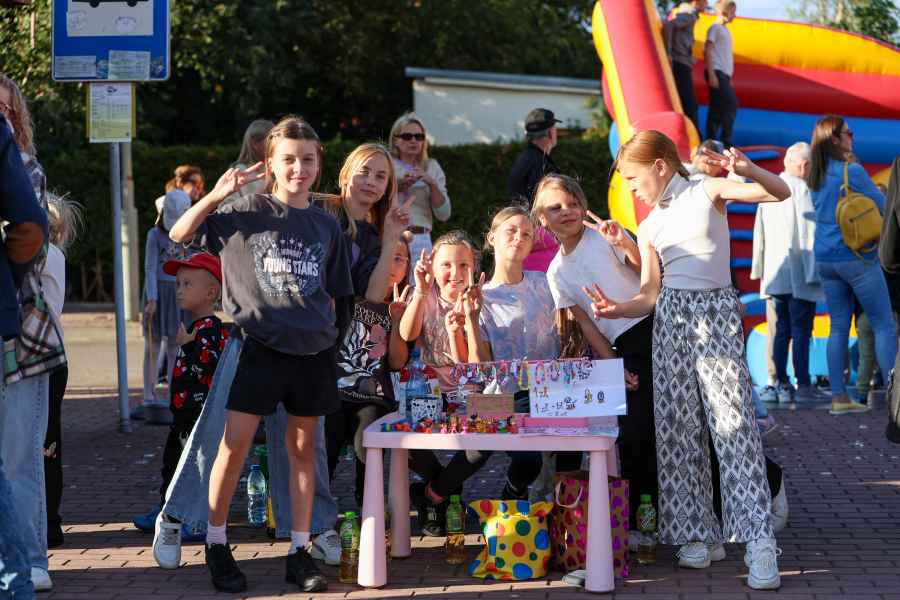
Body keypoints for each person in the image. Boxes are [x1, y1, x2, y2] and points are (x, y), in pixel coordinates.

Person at [152, 143, 410, 572]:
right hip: (254, 339)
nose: (371, 181)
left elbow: (370, 294)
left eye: (381, 176)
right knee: (217, 434)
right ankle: (176, 517)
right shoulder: (309, 202)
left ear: (389, 187)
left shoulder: (369, 235)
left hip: (313, 349)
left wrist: (389, 242)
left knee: (305, 447)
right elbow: (211, 235)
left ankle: (313, 530)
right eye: (364, 171)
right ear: (344, 173)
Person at [585, 130, 790, 590]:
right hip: (670, 322)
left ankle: (758, 542)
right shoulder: (650, 224)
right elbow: (649, 293)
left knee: (733, 427)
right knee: (678, 430)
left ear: (659, 165)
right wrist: (617, 309)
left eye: (634, 178)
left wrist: (750, 170)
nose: (632, 188)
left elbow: (780, 192)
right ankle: (698, 534)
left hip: (715, 315)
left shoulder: (707, 190)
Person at [168, 116, 354, 593]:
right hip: (259, 348)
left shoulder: (326, 224)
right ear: (270, 163)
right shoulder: (245, 211)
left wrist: (330, 341)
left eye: (307, 160)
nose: (298, 169)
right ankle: (216, 544)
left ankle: (299, 551)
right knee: (233, 449)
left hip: (312, 353)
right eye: (288, 159)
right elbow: (179, 233)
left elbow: (339, 292)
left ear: (318, 165)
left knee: (302, 454)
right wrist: (216, 194)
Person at [533, 174, 655, 533]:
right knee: (634, 434)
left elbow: (648, 275)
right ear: (542, 219)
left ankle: (767, 483)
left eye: (573, 203)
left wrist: (625, 244)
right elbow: (587, 325)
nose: (567, 211)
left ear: (584, 206)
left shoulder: (605, 236)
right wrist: (614, 367)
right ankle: (643, 520)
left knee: (681, 423)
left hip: (658, 325)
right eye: (555, 207)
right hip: (626, 346)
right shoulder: (556, 272)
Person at [399, 230, 542, 534]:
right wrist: (421, 292)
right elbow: (407, 334)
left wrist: (468, 322)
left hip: (470, 391)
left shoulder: (479, 301)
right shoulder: (424, 295)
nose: (455, 273)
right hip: (426, 391)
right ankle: (447, 494)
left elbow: (474, 367)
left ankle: (433, 494)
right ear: (432, 267)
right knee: (405, 440)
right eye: (446, 265)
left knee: (490, 432)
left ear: (474, 268)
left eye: (463, 265)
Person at [0, 74, 54, 593]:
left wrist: (8, 282)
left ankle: (33, 558)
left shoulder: (27, 168)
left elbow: (30, 237)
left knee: (19, 451)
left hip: (25, 326)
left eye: (6, 110)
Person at [133, 253, 227, 543]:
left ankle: (196, 519)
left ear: (210, 292)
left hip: (198, 416)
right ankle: (167, 511)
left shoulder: (210, 329)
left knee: (196, 468)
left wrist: (188, 346)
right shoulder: (195, 327)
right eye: (178, 284)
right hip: (182, 415)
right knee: (171, 464)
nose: (179, 290)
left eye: (188, 284)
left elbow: (209, 367)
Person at [806, 115, 897, 415]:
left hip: (825, 258)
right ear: (835, 139)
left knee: (838, 327)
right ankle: (895, 397)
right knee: (883, 324)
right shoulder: (851, 171)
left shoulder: (815, 174)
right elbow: (883, 205)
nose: (852, 137)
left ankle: (838, 397)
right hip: (856, 257)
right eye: (849, 133)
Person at [326, 235, 412, 507]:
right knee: (326, 440)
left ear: (407, 268)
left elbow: (397, 363)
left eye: (400, 259)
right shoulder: (351, 296)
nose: (392, 265)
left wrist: (397, 321)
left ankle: (368, 507)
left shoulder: (403, 307)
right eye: (387, 257)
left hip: (373, 396)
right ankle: (317, 509)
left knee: (369, 439)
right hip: (335, 390)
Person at [751, 142, 827, 403]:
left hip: (774, 274)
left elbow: (759, 234)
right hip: (800, 273)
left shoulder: (768, 187)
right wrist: (815, 272)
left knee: (780, 329)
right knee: (802, 330)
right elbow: (809, 234)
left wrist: (759, 270)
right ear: (803, 166)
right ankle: (803, 383)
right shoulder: (805, 191)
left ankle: (778, 382)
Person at [42, 192, 83, 549]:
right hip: (54, 357)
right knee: (49, 443)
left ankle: (47, 520)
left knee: (43, 444)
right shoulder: (56, 255)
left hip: (41, 359)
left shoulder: (45, 255)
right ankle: (50, 521)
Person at [140, 184, 195, 423]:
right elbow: (150, 267)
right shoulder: (154, 235)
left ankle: (174, 393)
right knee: (152, 345)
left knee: (175, 346)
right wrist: (152, 298)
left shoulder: (190, 235)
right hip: (158, 294)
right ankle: (148, 395)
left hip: (179, 293)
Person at [389, 113, 451, 273]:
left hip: (421, 239)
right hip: (391, 236)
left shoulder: (432, 167)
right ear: (395, 140)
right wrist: (397, 186)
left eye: (419, 136)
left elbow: (444, 214)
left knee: (421, 286)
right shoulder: (386, 164)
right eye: (407, 136)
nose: (413, 141)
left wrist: (432, 184)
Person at [508, 108, 564, 272]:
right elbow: (550, 205)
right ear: (550, 133)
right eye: (554, 129)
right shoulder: (541, 164)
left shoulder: (526, 159)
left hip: (527, 239)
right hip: (540, 243)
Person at [664, 0, 708, 133]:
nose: (707, 4)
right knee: (690, 104)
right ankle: (695, 135)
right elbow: (669, 25)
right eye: (705, 1)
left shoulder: (687, 13)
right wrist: (669, 52)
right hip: (680, 62)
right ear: (696, 2)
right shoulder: (689, 13)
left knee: (687, 102)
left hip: (682, 61)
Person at [705, 1, 738, 148]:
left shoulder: (726, 30)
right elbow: (708, 50)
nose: (735, 16)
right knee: (731, 104)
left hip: (723, 75)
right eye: (733, 12)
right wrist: (711, 73)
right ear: (724, 13)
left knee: (717, 108)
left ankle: (711, 141)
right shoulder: (715, 28)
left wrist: (728, 77)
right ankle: (726, 140)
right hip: (716, 72)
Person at [225, 119, 274, 203]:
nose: (277, 143)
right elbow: (226, 205)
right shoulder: (239, 171)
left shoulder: (277, 166)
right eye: (271, 139)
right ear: (255, 143)